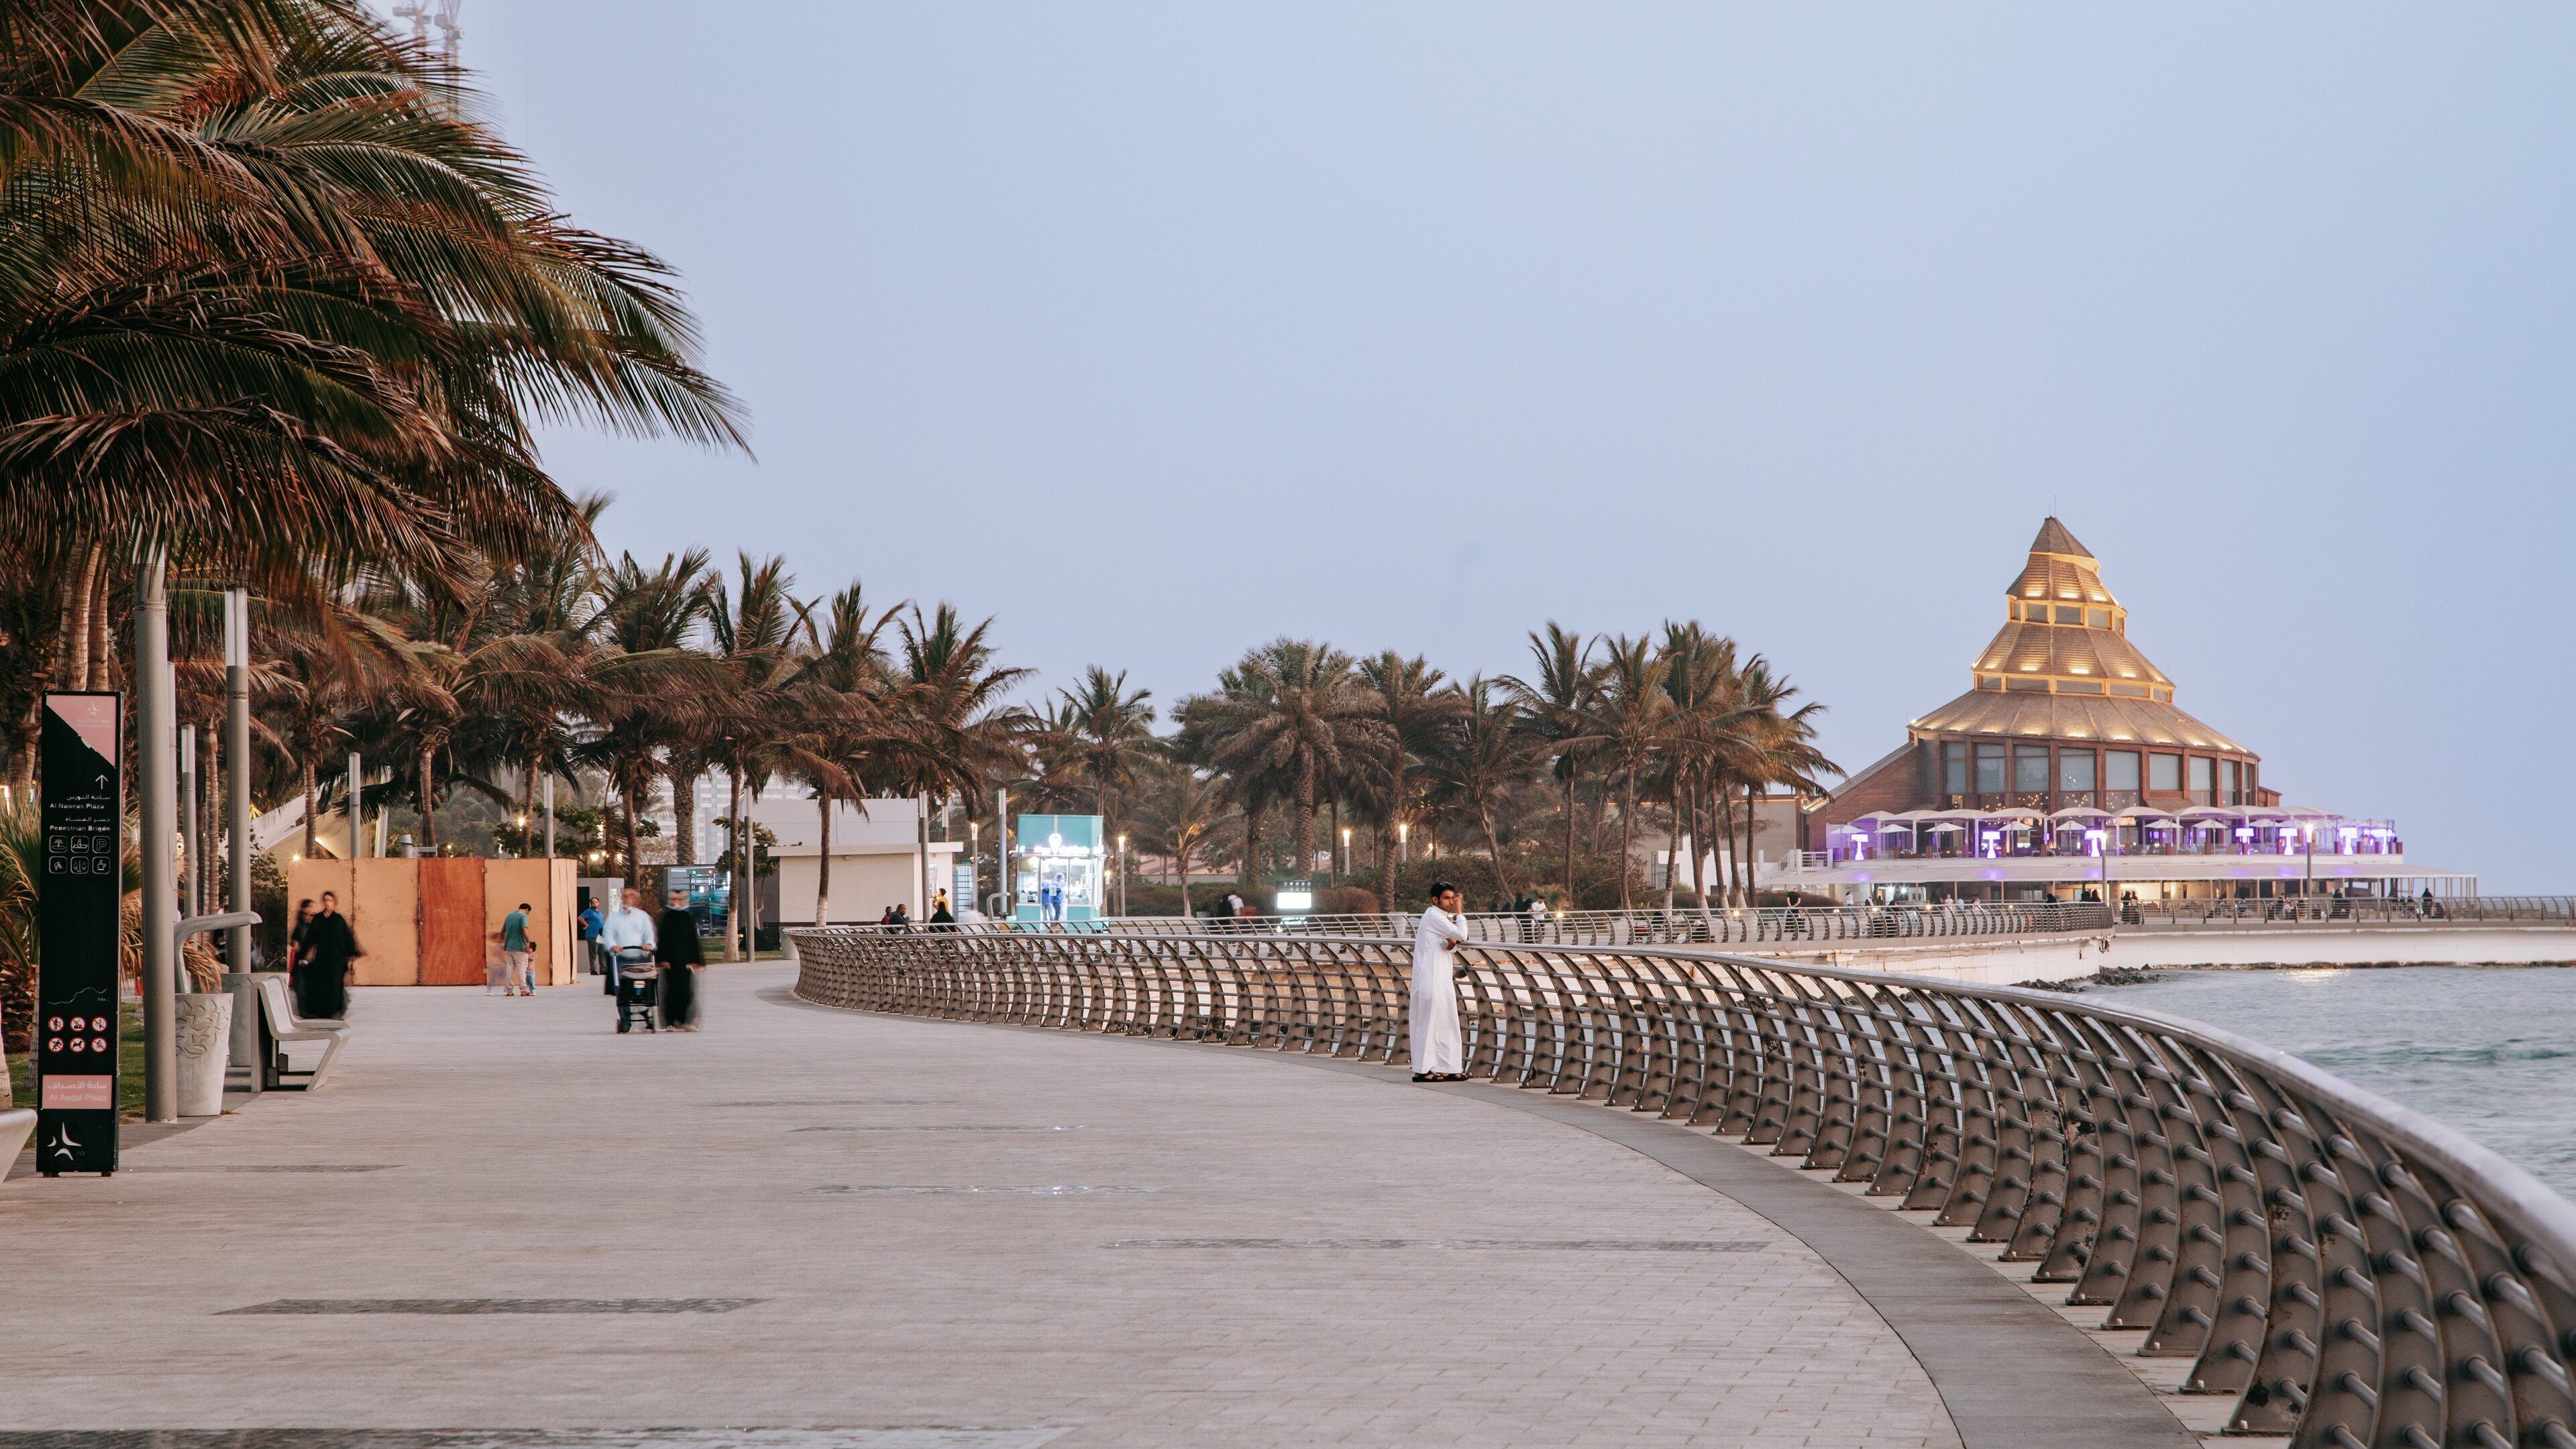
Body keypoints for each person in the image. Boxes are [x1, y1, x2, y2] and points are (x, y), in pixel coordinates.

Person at [1410, 881, 1470, 1083]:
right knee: (1428, 1025)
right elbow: (1461, 935)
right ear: (1435, 900)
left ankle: (1449, 1067)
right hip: (1430, 980)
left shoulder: (1439, 919)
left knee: (1447, 1021)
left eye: (1453, 898)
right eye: (1447, 898)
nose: (1452, 902)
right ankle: (1423, 1070)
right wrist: (1461, 911)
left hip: (1441, 979)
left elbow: (1445, 944)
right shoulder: (1434, 916)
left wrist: (1450, 944)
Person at [296, 891, 359, 1021]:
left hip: (337, 958)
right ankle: (323, 1011)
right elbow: (310, 938)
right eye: (325, 900)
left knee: (336, 984)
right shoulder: (318, 919)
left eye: (330, 900)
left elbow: (347, 937)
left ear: (334, 902)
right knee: (322, 984)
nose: (327, 902)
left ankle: (335, 1011)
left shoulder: (338, 919)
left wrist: (352, 952)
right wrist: (303, 955)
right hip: (322, 957)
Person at [655, 888, 704, 1030]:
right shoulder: (666, 918)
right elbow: (662, 940)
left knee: (686, 992)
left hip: (685, 962)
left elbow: (693, 941)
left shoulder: (688, 918)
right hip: (669, 962)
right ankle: (670, 1021)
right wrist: (662, 960)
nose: (676, 902)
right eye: (674, 899)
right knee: (670, 992)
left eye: (679, 899)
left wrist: (697, 961)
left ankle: (686, 1021)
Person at [598, 887, 656, 997]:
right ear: (622, 899)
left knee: (643, 991)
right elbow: (608, 934)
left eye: (632, 896)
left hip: (640, 959)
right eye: (626, 896)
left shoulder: (643, 916)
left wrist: (649, 944)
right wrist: (613, 946)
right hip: (621, 959)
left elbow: (649, 933)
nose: (629, 899)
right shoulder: (614, 918)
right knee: (623, 992)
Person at [498, 901, 533, 996]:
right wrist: (529, 942)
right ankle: (523, 990)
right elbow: (524, 929)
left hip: (509, 947)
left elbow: (502, 932)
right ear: (527, 910)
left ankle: (509, 990)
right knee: (521, 969)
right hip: (520, 947)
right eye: (528, 912)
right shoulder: (523, 916)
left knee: (510, 969)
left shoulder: (509, 916)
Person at [578, 897, 606, 976]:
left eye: (596, 902)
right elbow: (580, 918)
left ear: (598, 902)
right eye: (593, 903)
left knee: (602, 953)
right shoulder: (589, 912)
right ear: (591, 904)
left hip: (600, 936)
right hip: (592, 935)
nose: (595, 904)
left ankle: (603, 969)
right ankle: (593, 970)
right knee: (593, 954)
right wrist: (586, 925)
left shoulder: (600, 913)